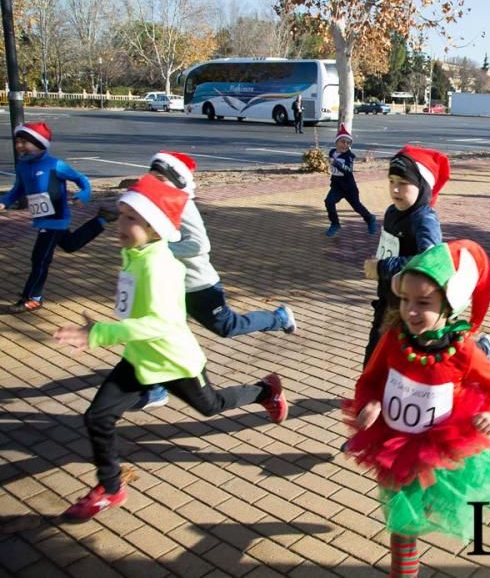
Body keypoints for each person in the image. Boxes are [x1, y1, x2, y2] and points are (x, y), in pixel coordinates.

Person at [53, 175, 288, 520]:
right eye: (121, 215)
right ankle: (111, 487)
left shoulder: (159, 265)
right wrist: (104, 329)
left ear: (155, 228)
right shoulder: (136, 253)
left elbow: (160, 324)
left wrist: (99, 333)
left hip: (175, 362)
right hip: (139, 359)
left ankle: (266, 391)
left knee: (212, 406)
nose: (122, 223)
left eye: (132, 218)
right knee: (98, 417)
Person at [346, 240, 490, 578]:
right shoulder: (393, 340)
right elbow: (369, 378)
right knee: (402, 515)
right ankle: (405, 571)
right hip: (396, 442)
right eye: (405, 300)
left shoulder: (463, 351)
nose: (411, 311)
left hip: (442, 446)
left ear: (448, 306)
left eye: (423, 303)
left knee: (430, 503)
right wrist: (369, 402)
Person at [135, 151, 297, 410]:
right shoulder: (155, 203)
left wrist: (159, 249)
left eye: (162, 178)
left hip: (198, 285)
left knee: (227, 327)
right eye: (152, 176)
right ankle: (155, 389)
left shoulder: (183, 205)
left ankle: (279, 318)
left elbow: (199, 244)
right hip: (170, 285)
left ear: (177, 181)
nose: (155, 181)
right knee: (163, 331)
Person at [0, 121, 116, 314]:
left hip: (55, 219)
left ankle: (32, 298)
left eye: (24, 142)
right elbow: (16, 190)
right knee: (70, 244)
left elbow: (81, 179)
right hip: (41, 219)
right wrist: (4, 202)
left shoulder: (55, 165)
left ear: (39, 143)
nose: (19, 145)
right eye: (17, 141)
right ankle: (101, 220)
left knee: (40, 258)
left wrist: (84, 194)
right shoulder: (22, 166)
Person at [363, 146, 449, 366]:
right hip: (387, 301)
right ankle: (370, 396)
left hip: (412, 306)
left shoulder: (424, 219)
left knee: (413, 362)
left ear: (422, 186)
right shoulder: (393, 212)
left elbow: (429, 261)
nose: (395, 189)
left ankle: (480, 351)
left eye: (403, 183)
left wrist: (382, 267)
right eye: (391, 181)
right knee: (375, 361)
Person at [326, 124, 378, 237]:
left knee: (357, 206)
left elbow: (348, 170)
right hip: (336, 186)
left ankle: (370, 219)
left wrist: (336, 163)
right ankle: (335, 224)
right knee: (329, 202)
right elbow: (331, 159)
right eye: (342, 142)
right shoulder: (332, 152)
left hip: (349, 187)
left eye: (348, 143)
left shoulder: (349, 156)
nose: (345, 145)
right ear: (336, 142)